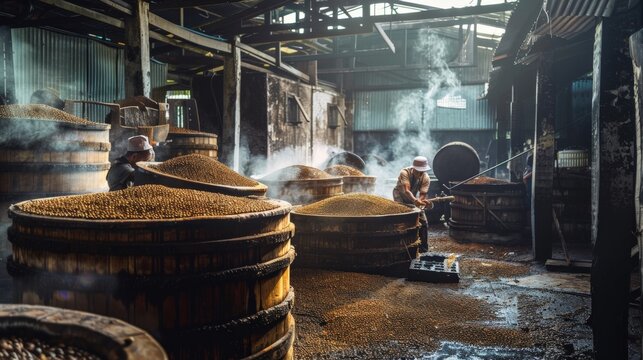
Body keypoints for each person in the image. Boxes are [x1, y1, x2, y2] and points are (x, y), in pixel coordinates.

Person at [393, 156, 432, 252]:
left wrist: (420, 201)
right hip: (400, 196)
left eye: (423, 171)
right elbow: (406, 190)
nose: (421, 173)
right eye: (419, 171)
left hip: (413, 198)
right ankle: (401, 246)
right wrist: (415, 201)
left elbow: (423, 194)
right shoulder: (404, 172)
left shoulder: (426, 177)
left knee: (423, 220)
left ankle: (423, 248)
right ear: (413, 168)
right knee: (401, 218)